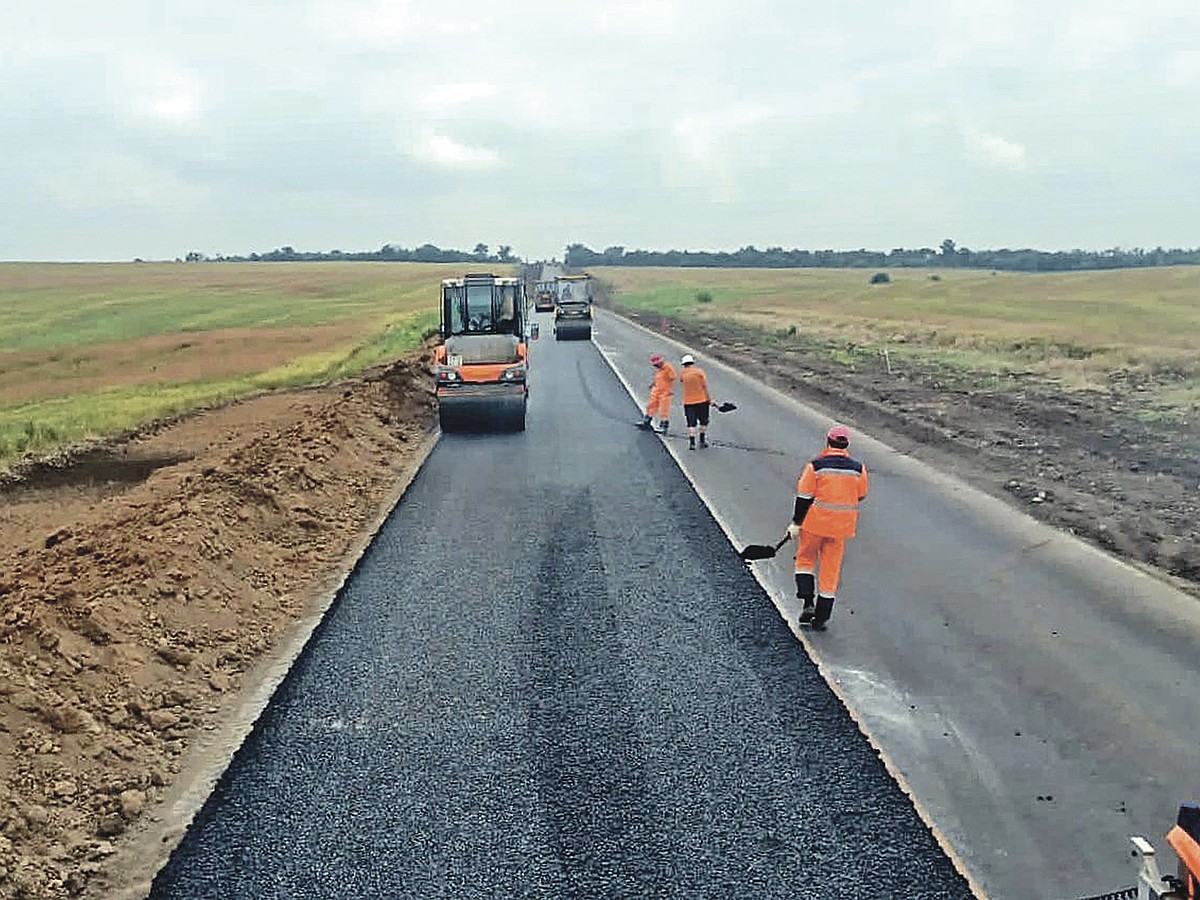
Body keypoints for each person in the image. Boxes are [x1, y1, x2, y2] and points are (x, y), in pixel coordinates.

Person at [785, 424, 869, 631]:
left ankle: (807, 603)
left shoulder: (816, 466)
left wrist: (796, 523)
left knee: (805, 560)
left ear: (828, 441)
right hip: (841, 528)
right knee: (830, 572)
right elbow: (861, 495)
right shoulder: (859, 469)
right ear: (847, 444)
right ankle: (821, 618)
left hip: (814, 524)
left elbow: (804, 496)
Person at [678, 354, 712, 449]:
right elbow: (704, 386)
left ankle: (692, 443)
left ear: (683, 364)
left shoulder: (682, 374)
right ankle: (702, 441)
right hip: (702, 400)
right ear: (692, 362)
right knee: (703, 421)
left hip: (688, 402)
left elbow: (681, 381)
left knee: (691, 423)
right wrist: (710, 399)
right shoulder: (699, 372)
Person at [637, 354, 675, 433]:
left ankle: (663, 426)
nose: (656, 366)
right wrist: (653, 384)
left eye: (657, 364)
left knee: (664, 409)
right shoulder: (659, 370)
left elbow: (672, 378)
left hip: (665, 392)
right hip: (657, 390)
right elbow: (658, 378)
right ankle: (646, 422)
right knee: (651, 405)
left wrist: (670, 389)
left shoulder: (667, 368)